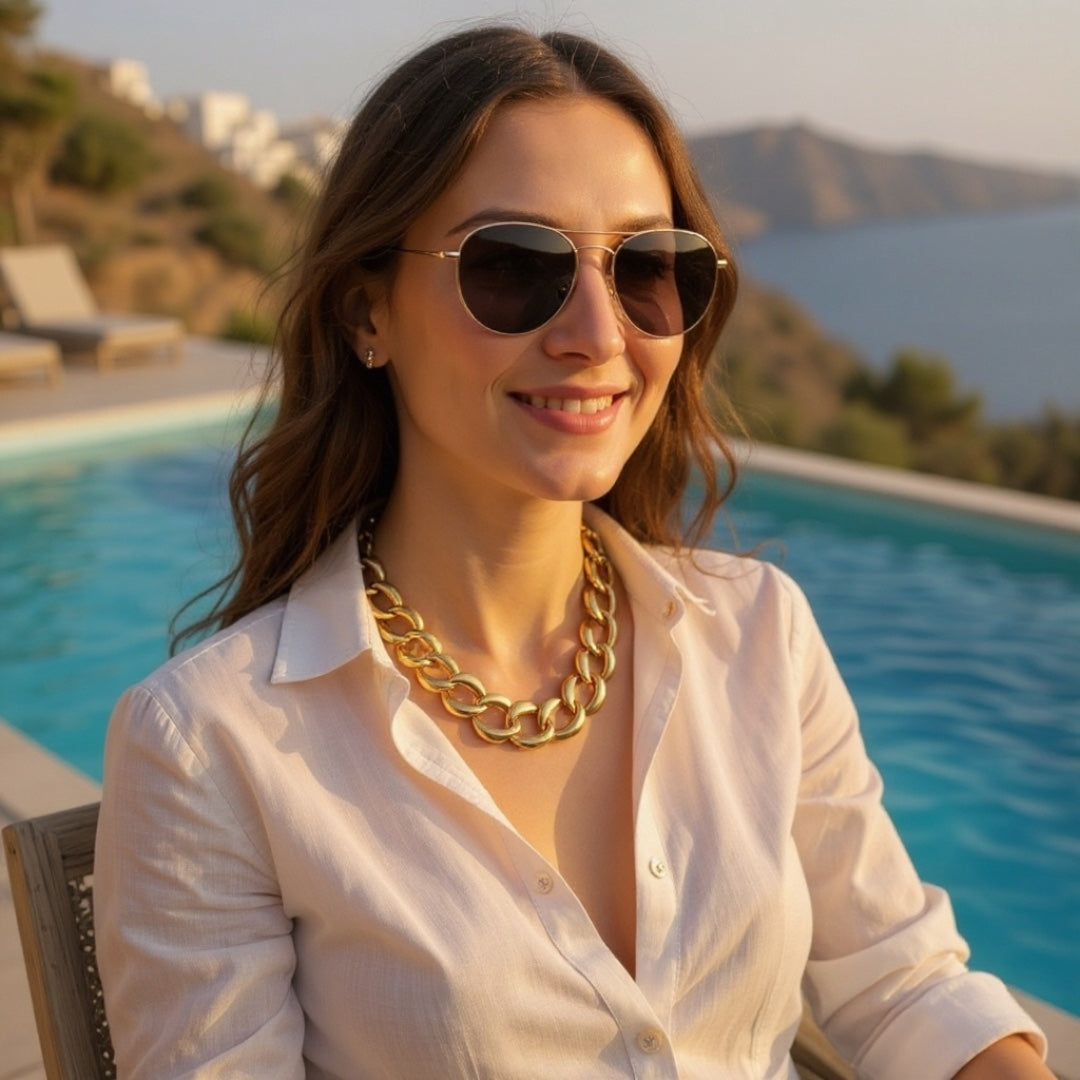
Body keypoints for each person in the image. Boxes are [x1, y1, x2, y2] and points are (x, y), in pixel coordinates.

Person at [94, 24, 1053, 1080]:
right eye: (515, 267)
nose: (599, 332)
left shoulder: (760, 638)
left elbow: (902, 984)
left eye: (647, 267)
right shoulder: (207, 748)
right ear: (368, 312)